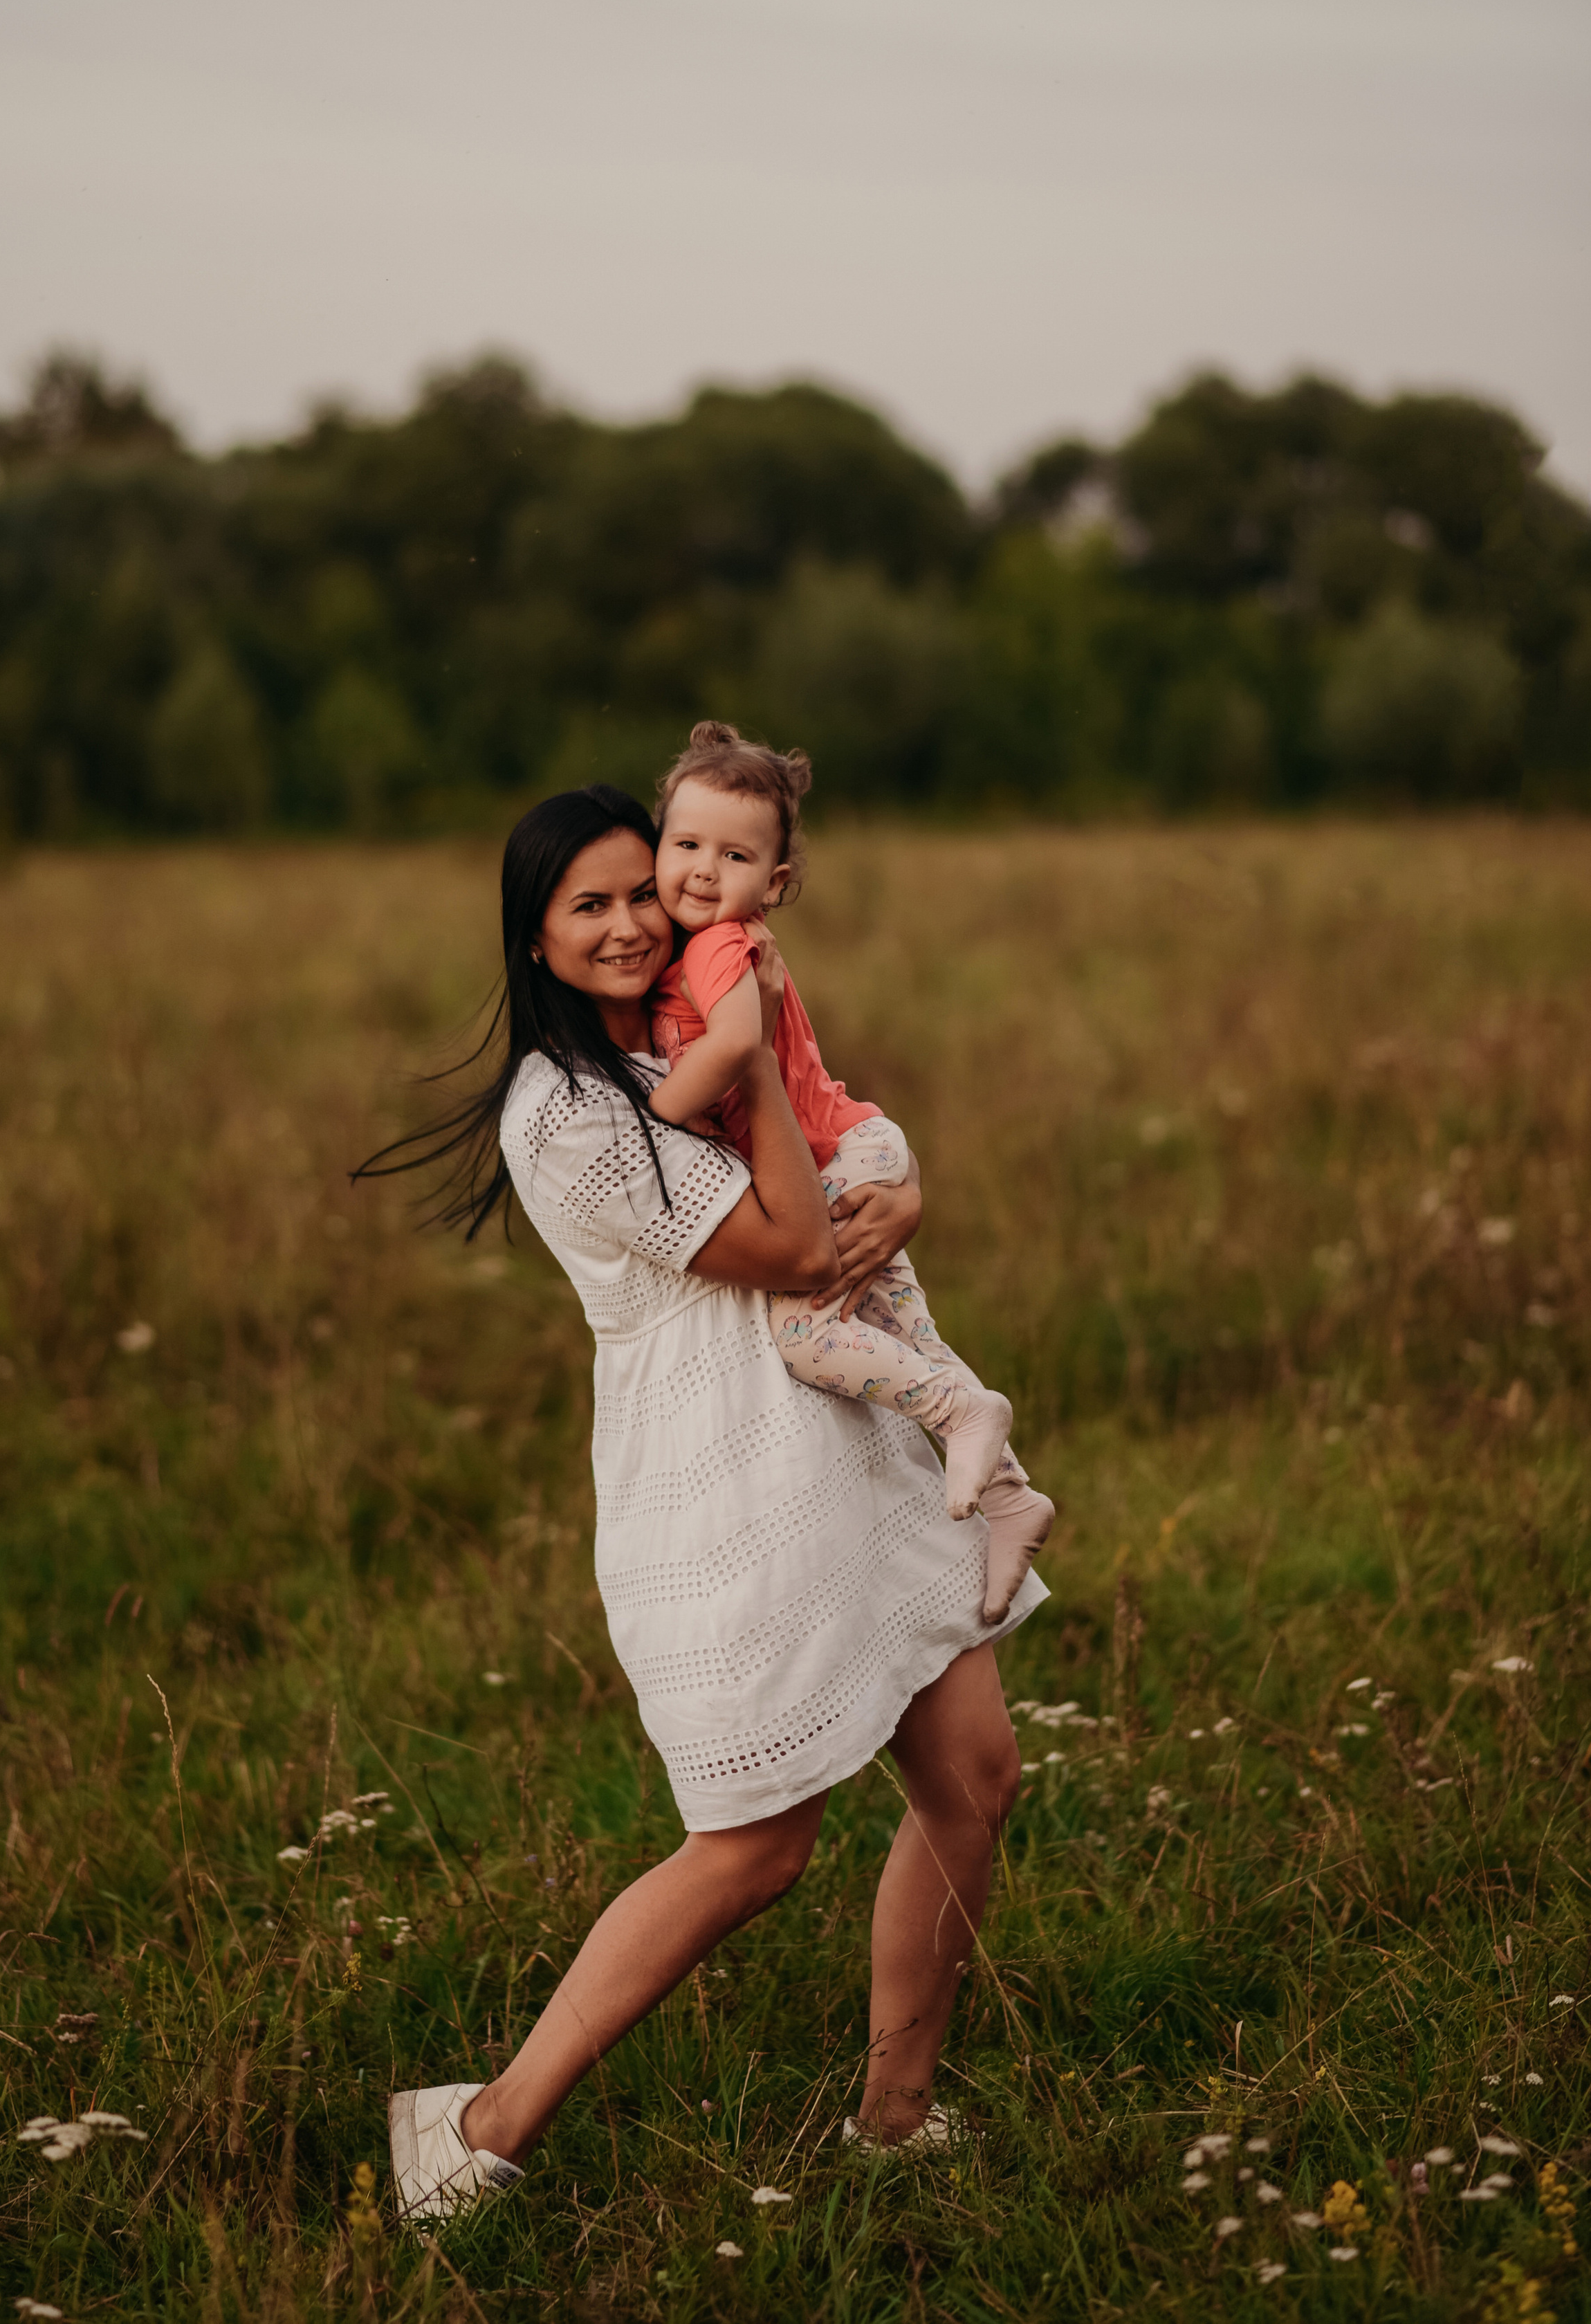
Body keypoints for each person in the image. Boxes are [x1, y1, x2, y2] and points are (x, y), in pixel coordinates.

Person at [360, 783, 1050, 2227]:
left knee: (973, 1775)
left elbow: (825, 1115)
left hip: (848, 1446)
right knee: (754, 1843)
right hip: (728, 1477)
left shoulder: (685, 1010)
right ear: (535, 938)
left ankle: (893, 2121)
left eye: (641, 892)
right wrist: (742, 1051)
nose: (626, 924)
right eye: (587, 906)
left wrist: (898, 1189)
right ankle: (478, 2131)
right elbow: (792, 1234)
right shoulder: (563, 1114)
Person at [644, 720, 1056, 1605]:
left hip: (835, 1157)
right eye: (684, 845)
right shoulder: (696, 950)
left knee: (805, 1336)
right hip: (861, 1140)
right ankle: (1014, 1499)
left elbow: (731, 1051)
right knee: (908, 1335)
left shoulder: (718, 946)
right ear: (656, 843)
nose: (704, 871)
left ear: (775, 882)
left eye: (733, 855)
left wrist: (656, 1111)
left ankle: (963, 1412)